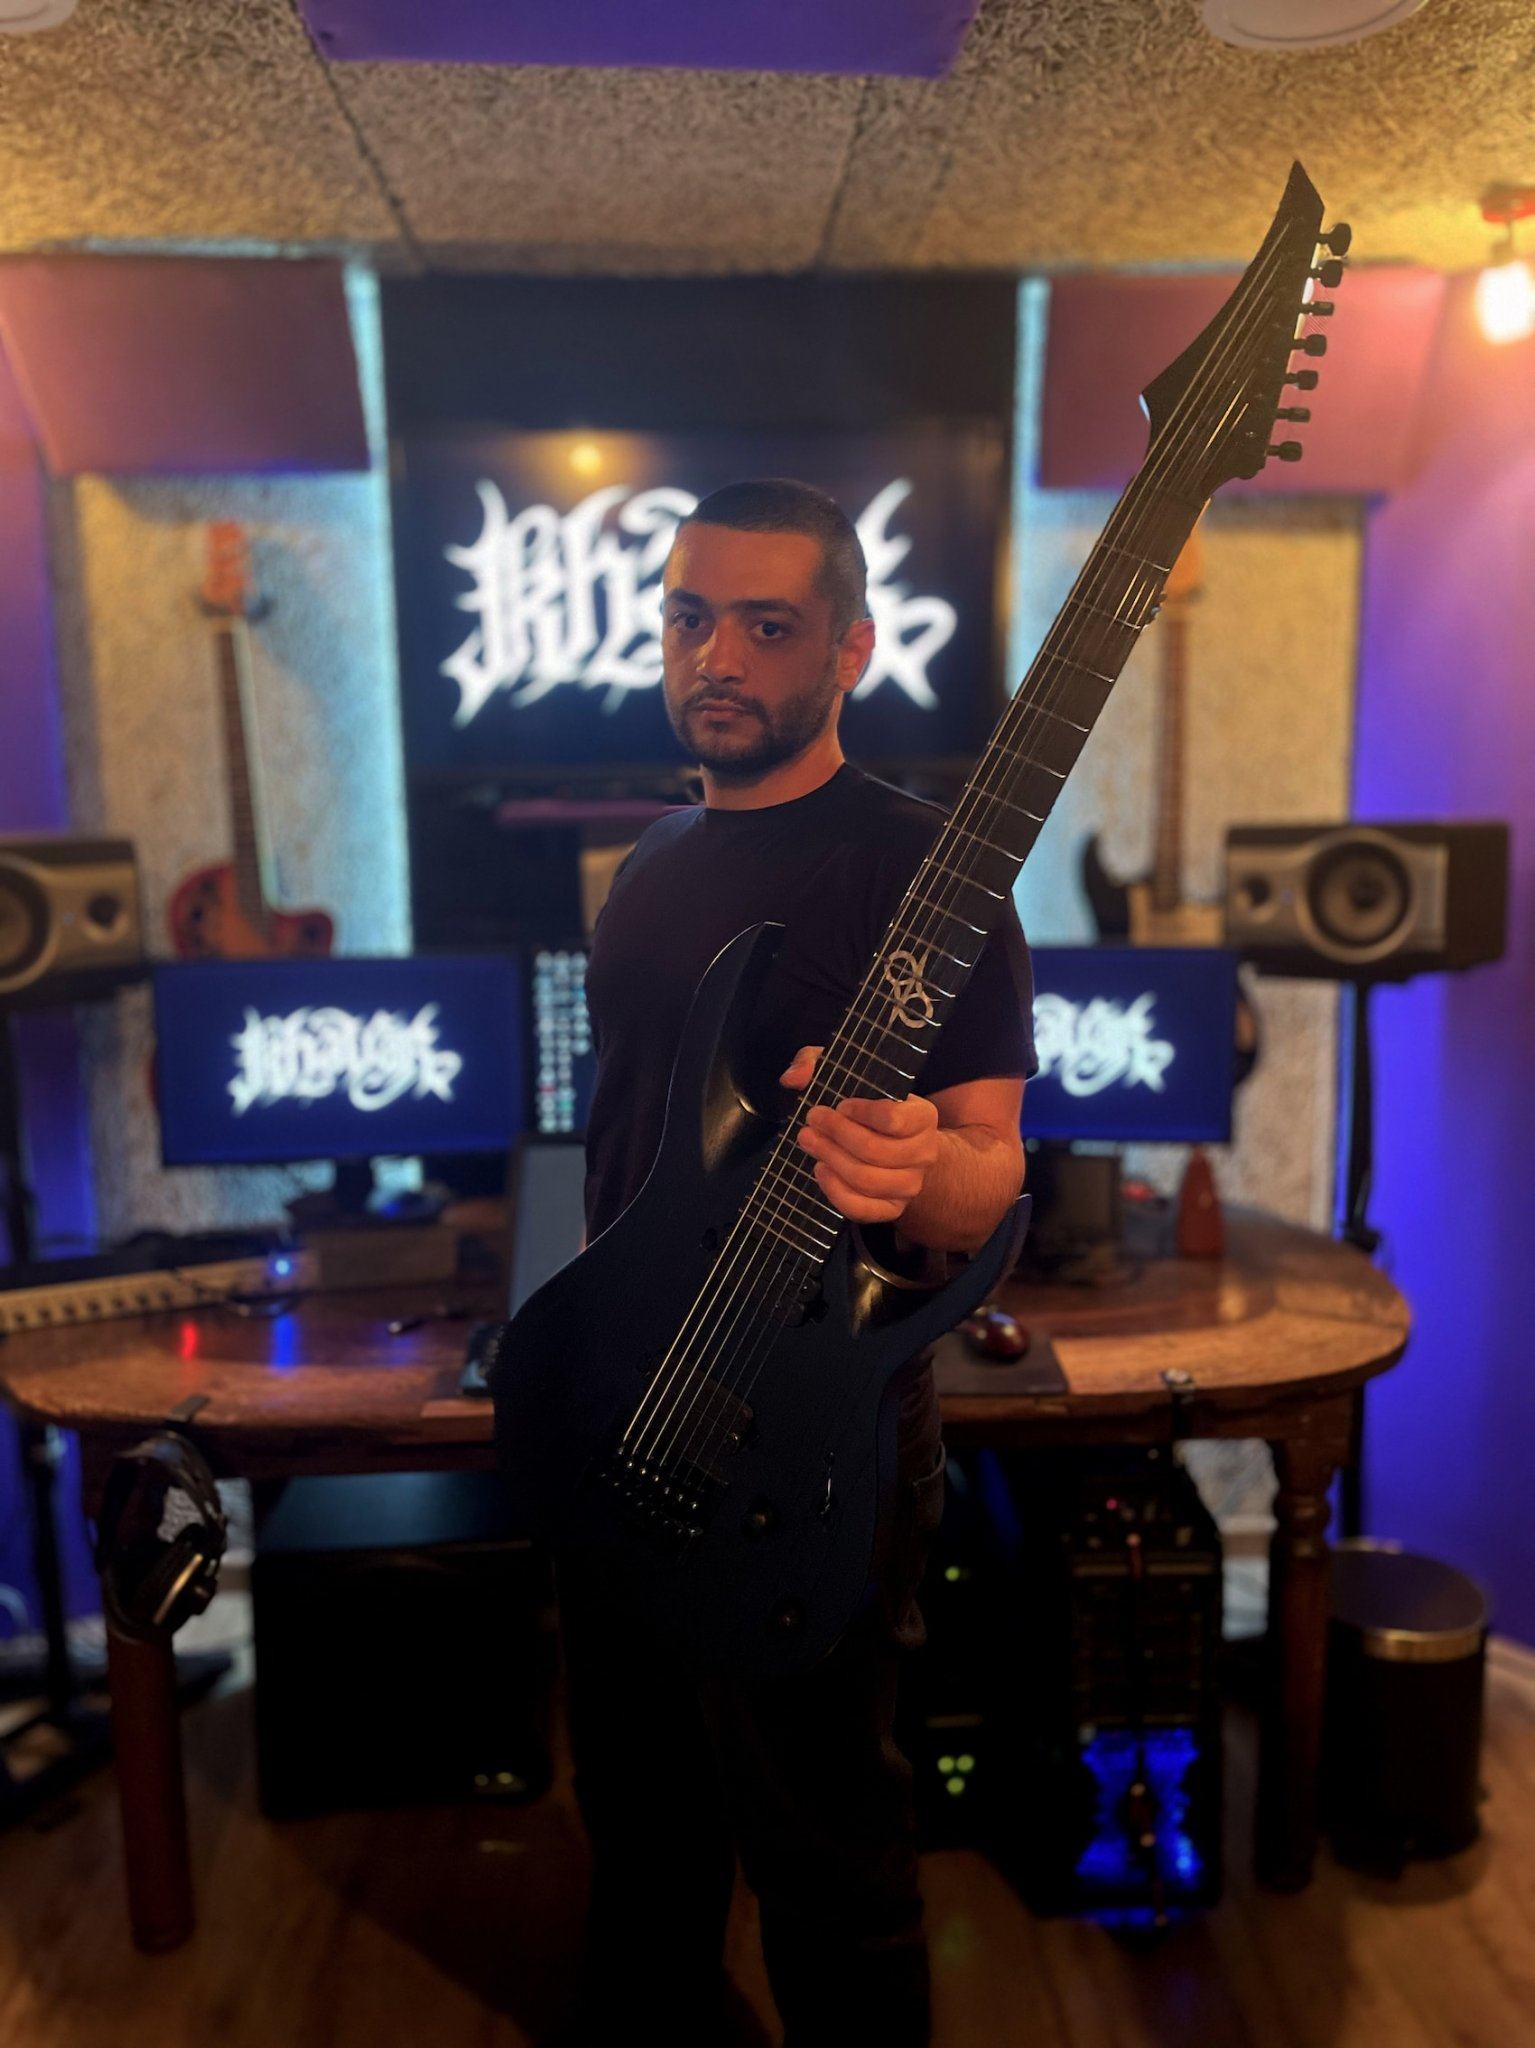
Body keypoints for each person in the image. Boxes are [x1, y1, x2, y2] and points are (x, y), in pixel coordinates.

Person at [553, 478, 1036, 2047]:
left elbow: (989, 1167)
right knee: (642, 1839)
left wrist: (919, 1166)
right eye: (691, 618)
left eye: (768, 626)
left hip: (817, 1437)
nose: (719, 657)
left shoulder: (925, 865)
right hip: (622, 1412)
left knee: (829, 1856)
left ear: (850, 649)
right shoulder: (647, 869)